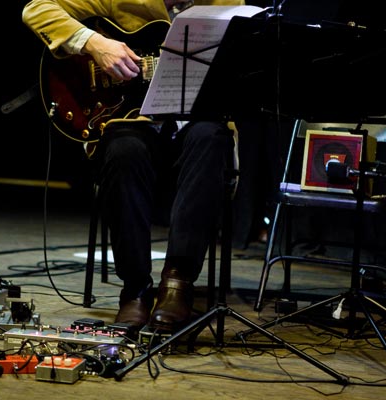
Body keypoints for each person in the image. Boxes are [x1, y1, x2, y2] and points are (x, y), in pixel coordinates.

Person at [22, 0, 246, 332]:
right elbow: (36, 9)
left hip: (196, 120)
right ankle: (135, 290)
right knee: (124, 151)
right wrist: (94, 43)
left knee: (210, 141)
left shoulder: (226, 3)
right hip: (132, 120)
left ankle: (177, 284)